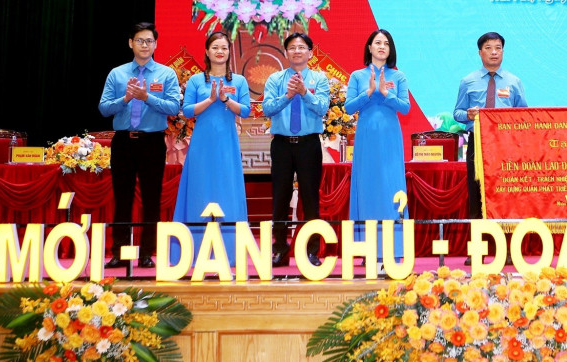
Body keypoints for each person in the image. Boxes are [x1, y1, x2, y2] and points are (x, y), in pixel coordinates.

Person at [98, 22, 181, 269]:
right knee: (122, 198)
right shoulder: (117, 74)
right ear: (130, 43)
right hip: (123, 142)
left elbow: (173, 107)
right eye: (140, 40)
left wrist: (147, 97)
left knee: (151, 199)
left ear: (155, 45)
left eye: (149, 41)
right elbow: (104, 108)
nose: (145, 45)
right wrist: (125, 98)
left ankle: (146, 253)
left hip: (152, 142)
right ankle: (120, 253)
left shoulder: (166, 74)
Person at [170, 31, 250, 266]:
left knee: (227, 192)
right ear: (207, 51)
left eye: (224, 48)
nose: (219, 52)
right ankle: (194, 253)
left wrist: (225, 100)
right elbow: (187, 111)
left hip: (227, 144)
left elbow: (245, 111)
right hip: (202, 146)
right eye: (215, 47)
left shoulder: (239, 81)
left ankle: (229, 253)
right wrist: (210, 99)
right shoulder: (197, 80)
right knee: (200, 191)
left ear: (229, 52)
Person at [262, 32, 330, 268]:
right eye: (292, 47)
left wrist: (304, 93)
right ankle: (280, 249)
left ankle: (311, 251)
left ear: (310, 53)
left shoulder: (319, 79)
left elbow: (322, 108)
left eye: (302, 47)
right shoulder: (275, 79)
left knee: (310, 198)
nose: (297, 51)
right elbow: (267, 108)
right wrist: (288, 95)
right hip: (281, 144)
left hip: (309, 144)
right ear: (286, 52)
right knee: (280, 197)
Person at [345, 29, 411, 271]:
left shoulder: (399, 76)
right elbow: (348, 107)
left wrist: (385, 94)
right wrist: (369, 92)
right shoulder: (357, 76)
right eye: (377, 42)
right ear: (369, 47)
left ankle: (394, 250)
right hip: (366, 139)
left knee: (391, 190)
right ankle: (368, 250)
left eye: (386, 43)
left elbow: (405, 108)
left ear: (390, 49)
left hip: (390, 138)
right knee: (367, 190)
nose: (382, 46)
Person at [453, 32, 527, 219]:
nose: (494, 52)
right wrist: (468, 115)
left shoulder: (514, 82)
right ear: (480, 52)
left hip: (506, 143)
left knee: (505, 187)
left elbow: (523, 115)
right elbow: (457, 113)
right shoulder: (468, 81)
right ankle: (478, 231)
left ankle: (507, 230)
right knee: (477, 188)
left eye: (498, 48)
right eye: (488, 48)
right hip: (478, 141)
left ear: (503, 52)